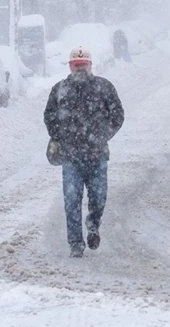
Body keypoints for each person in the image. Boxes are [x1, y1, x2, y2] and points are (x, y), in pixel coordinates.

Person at [44, 47, 125, 258]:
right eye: (76, 65)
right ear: (70, 67)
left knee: (99, 197)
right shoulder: (59, 90)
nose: (80, 69)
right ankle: (75, 244)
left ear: (90, 65)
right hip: (71, 158)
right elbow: (49, 116)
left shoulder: (104, 87)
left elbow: (117, 114)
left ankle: (93, 225)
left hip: (97, 156)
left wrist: (103, 135)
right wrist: (60, 136)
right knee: (72, 201)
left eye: (84, 65)